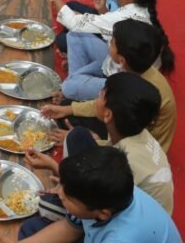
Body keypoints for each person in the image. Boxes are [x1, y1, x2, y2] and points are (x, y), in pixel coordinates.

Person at [0, 147, 185, 243]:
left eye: (68, 196)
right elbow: (71, 227)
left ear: (103, 213)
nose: (58, 193)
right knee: (31, 230)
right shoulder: (110, 193)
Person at [29, 73, 174, 215]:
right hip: (116, 195)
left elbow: (100, 207)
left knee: (45, 205)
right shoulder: (132, 129)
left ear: (108, 115)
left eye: (100, 95)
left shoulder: (126, 163)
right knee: (76, 136)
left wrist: (55, 171)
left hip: (127, 218)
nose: (96, 98)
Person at [46, 18, 178, 152]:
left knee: (72, 127)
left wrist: (85, 141)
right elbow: (106, 101)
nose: (108, 44)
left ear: (122, 60)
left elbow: (127, 145)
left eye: (112, 43)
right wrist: (68, 109)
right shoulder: (138, 68)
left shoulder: (134, 91)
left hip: (140, 150)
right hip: (127, 127)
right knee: (66, 107)